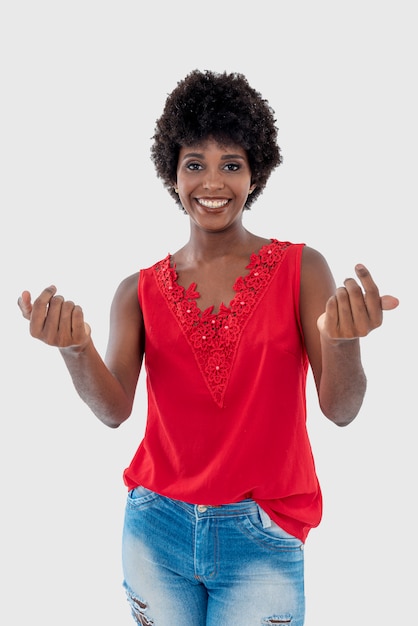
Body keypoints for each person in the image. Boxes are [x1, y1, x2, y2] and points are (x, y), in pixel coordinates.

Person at [18, 69, 399, 625]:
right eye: (194, 163)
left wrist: (342, 342)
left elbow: (340, 410)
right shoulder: (138, 290)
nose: (211, 182)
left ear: (256, 173)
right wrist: (76, 351)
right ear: (172, 173)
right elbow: (114, 409)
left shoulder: (301, 269)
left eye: (231, 165)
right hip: (156, 530)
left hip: (260, 534)